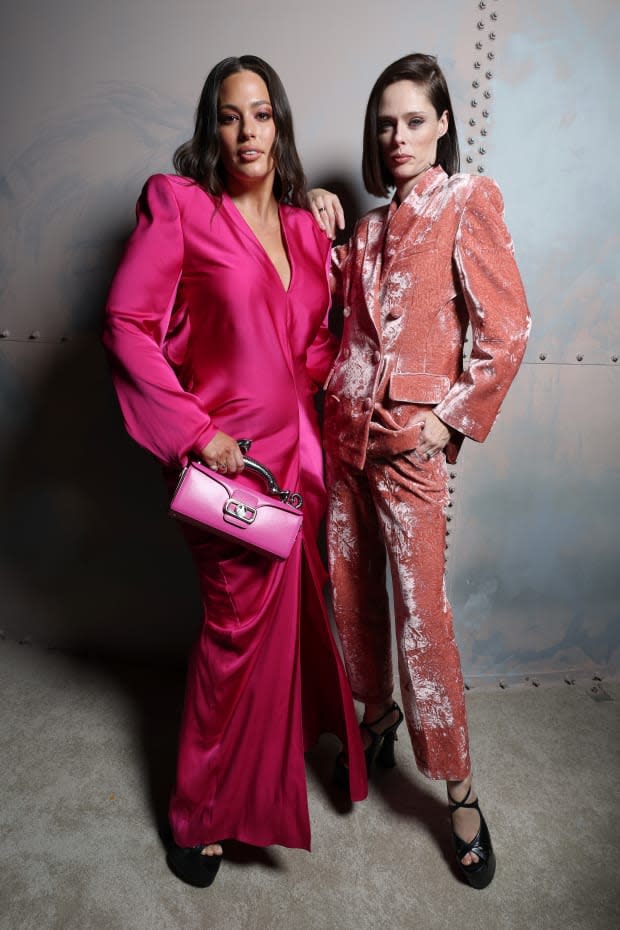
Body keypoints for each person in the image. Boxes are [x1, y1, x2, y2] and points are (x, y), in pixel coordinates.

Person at [103, 54, 367, 888]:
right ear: (210, 128)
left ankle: (269, 773)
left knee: (288, 632)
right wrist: (196, 432)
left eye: (261, 114)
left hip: (300, 470)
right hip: (229, 468)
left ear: (279, 125)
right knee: (233, 635)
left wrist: (332, 248)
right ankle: (197, 813)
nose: (247, 131)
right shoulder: (180, 206)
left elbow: (319, 350)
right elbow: (125, 323)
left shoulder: (299, 227)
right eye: (229, 114)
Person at [308, 53, 530, 889]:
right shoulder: (365, 229)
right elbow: (332, 322)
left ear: (441, 124)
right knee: (351, 596)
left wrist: (444, 422)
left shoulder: (468, 200)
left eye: (411, 120)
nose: (395, 136)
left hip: (411, 452)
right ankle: (376, 717)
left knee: (423, 620)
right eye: (384, 124)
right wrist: (314, 208)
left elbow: (506, 330)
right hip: (344, 441)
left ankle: (461, 792)